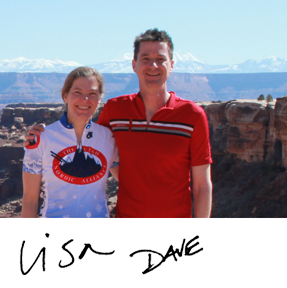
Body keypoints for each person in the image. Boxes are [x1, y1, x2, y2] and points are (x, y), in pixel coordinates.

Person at [25, 28, 212, 218]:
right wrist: (41, 134)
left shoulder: (192, 115)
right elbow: (88, 137)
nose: (153, 65)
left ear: (171, 65)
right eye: (145, 58)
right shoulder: (116, 110)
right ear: (134, 64)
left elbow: (202, 185)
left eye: (161, 59)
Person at [21, 67, 119, 218]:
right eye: (77, 93)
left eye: (92, 93)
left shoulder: (108, 138)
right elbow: (30, 201)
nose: (85, 99)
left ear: (99, 99)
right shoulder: (41, 139)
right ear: (65, 96)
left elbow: (130, 182)